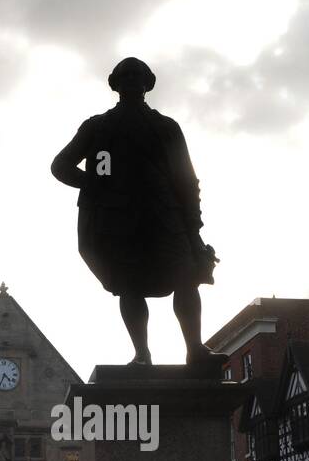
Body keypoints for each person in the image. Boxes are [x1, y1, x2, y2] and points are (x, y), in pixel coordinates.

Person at [51, 57, 217, 366]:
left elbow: (186, 178)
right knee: (129, 284)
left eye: (136, 75)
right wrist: (95, 185)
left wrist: (194, 226)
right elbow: (60, 165)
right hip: (118, 219)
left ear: (147, 82)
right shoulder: (97, 127)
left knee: (187, 277)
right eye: (124, 75)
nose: (130, 80)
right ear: (114, 84)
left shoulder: (167, 127)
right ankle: (142, 354)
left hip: (165, 214)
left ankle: (195, 348)